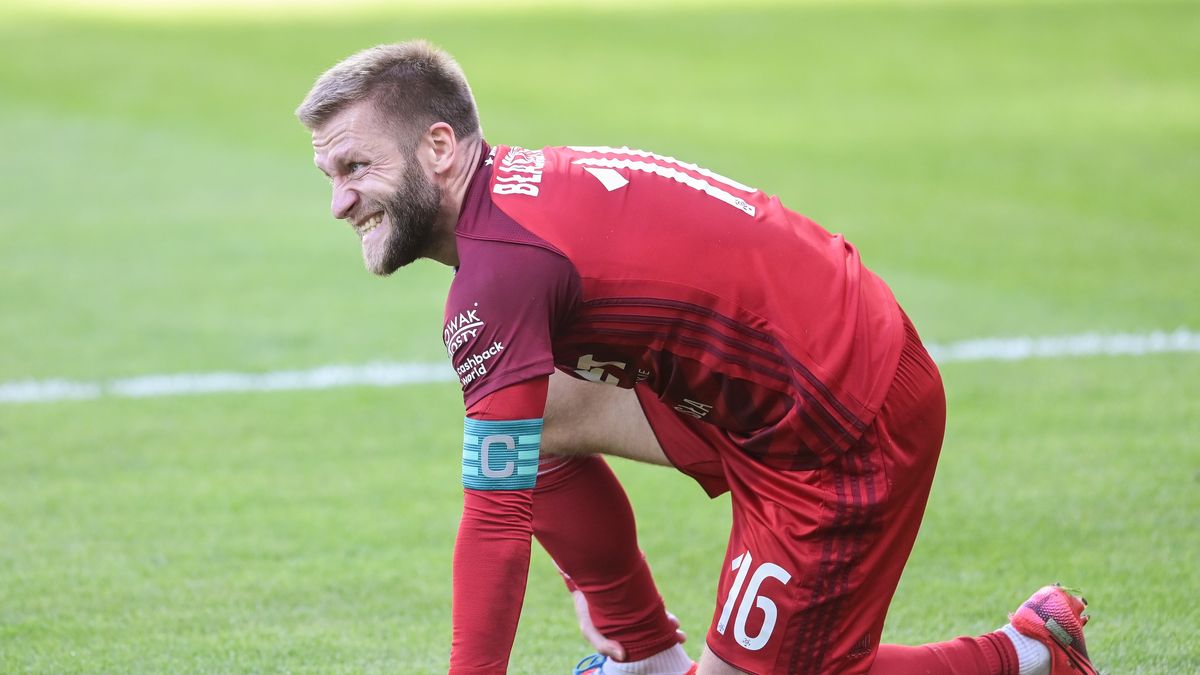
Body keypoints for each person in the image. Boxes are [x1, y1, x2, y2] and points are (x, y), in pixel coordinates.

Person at [295, 40, 1099, 675]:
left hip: (843, 425)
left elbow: (496, 519)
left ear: (440, 146)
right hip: (779, 380)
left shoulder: (502, 269)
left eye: (356, 167)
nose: (338, 201)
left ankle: (1034, 652)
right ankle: (642, 650)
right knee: (521, 415)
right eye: (330, 174)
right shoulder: (514, 204)